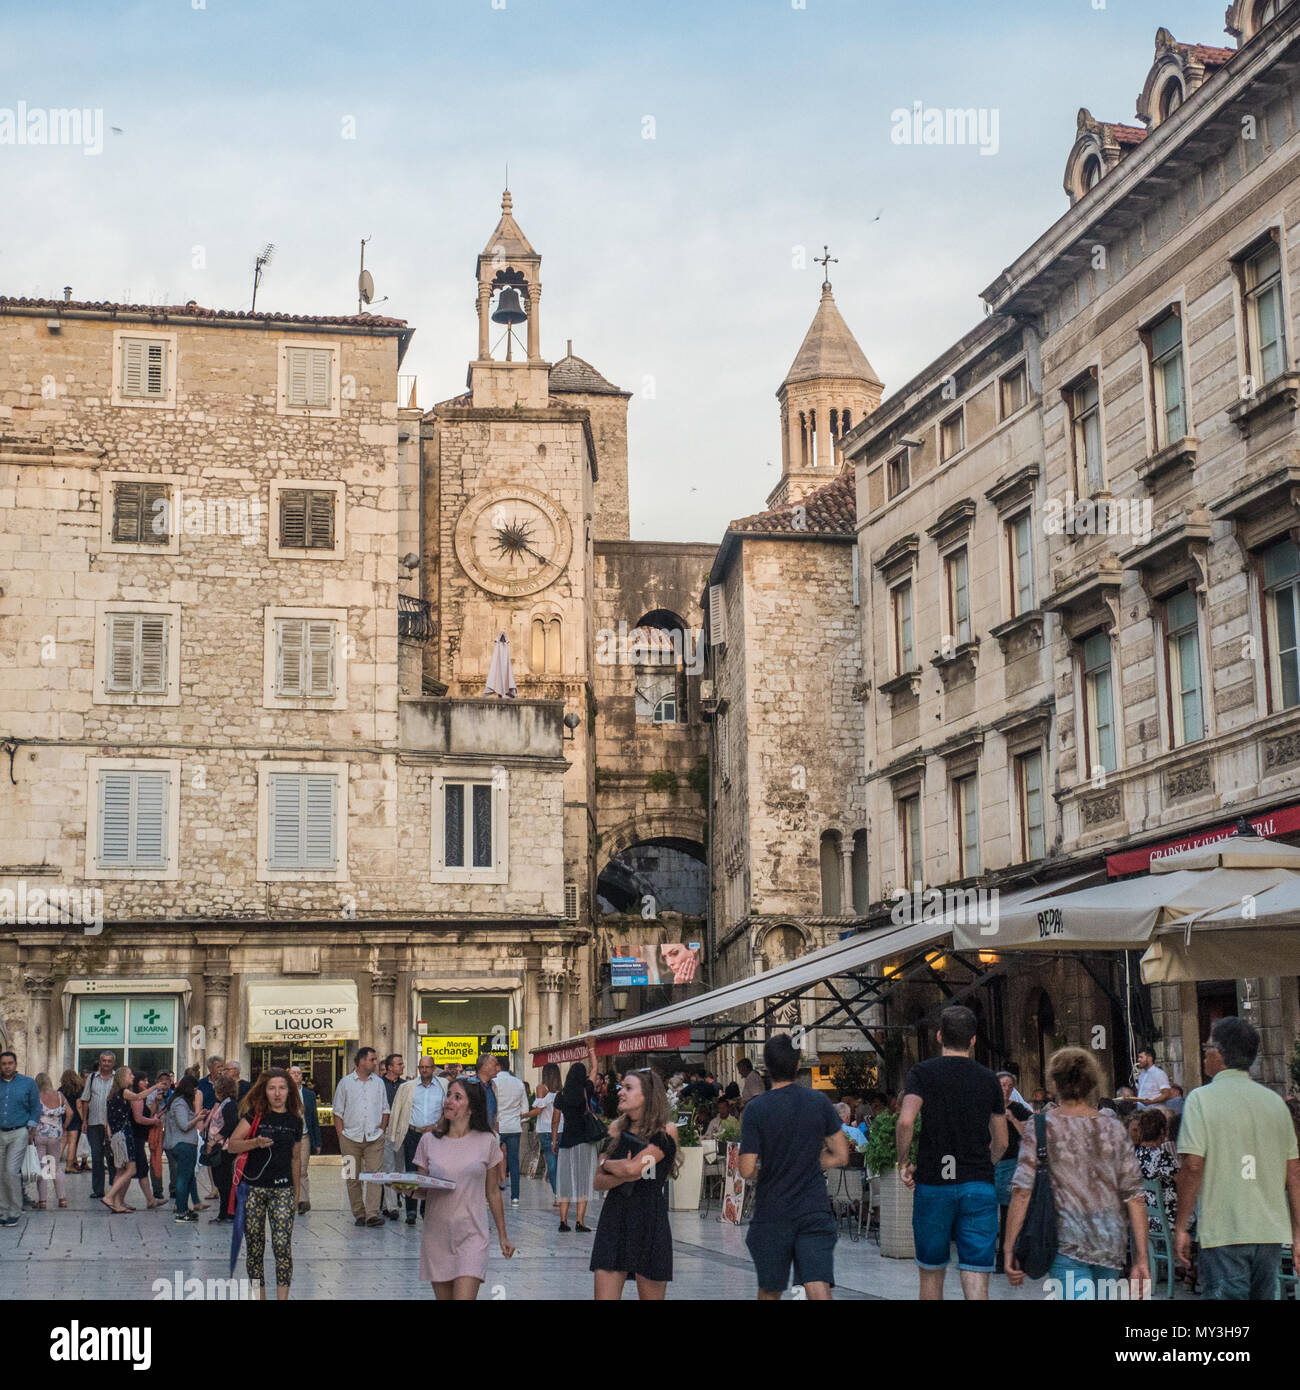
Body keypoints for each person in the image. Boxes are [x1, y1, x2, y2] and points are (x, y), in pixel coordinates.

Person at [1005, 1047, 1149, 1300]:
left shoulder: (1041, 1127)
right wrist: (1141, 1258)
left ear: (1056, 1083)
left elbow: (1022, 1192)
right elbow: (1135, 1196)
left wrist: (1009, 1247)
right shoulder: (1113, 1128)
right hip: (1110, 1244)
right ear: (1092, 1083)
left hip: (1066, 1243)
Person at [1174, 1016, 1300, 1300]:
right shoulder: (1276, 1103)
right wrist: (1297, 1233)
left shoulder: (1200, 1099)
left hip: (1224, 1230)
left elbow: (1193, 1166)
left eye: (1207, 1046)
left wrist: (1181, 1226)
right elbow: (1294, 1172)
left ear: (1218, 1054)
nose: (1204, 1053)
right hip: (1268, 1231)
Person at [896, 1005, 1007, 1301]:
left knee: (931, 1274)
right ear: (973, 1040)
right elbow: (1002, 1142)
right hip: (978, 1183)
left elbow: (906, 1120)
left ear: (939, 1036)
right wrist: (985, 1163)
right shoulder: (989, 1079)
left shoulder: (922, 1073)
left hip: (934, 1183)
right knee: (976, 1278)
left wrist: (905, 1161)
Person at [738, 1033, 848, 1301]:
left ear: (766, 1068)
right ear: (798, 1064)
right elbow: (842, 1155)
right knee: (816, 1283)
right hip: (813, 1208)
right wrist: (811, 1160)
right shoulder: (819, 1101)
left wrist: (769, 1169)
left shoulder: (756, 1109)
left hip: (772, 1212)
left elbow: (746, 1168)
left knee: (770, 1288)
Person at [414, 1076, 515, 1300]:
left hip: (472, 1235)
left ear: (472, 1108)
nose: (449, 1101)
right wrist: (406, 1188)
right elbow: (422, 1188)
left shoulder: (487, 1141)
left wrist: (503, 1236)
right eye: (449, 1095)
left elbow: (492, 1192)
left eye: (457, 1097)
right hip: (438, 1235)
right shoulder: (428, 1141)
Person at [591, 1068, 679, 1300]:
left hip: (649, 1219)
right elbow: (597, 1182)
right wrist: (620, 1170)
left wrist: (608, 1163)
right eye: (622, 1087)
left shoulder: (664, 1133)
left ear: (647, 1096)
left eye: (629, 1088)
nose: (621, 1092)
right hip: (615, 1217)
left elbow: (633, 1168)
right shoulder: (615, 1131)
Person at [226, 1066, 304, 1300]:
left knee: (282, 1247)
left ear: (290, 1091)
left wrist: (296, 1194)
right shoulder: (254, 1116)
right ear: (264, 1091)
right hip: (253, 1189)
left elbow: (296, 1158)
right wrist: (255, 1143)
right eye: (272, 1088)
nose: (277, 1093)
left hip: (283, 1189)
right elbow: (232, 1144)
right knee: (255, 1248)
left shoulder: (295, 1121)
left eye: (282, 1088)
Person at [333, 1046, 390, 1227]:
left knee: (375, 1176)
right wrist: (341, 1134)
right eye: (372, 1059)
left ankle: (372, 1214)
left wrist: (381, 1130)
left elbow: (385, 1109)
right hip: (350, 1138)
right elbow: (338, 1111)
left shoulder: (379, 1083)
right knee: (352, 1177)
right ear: (362, 1061)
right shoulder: (345, 1083)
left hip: (374, 1138)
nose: (375, 1063)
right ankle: (359, 1213)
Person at [387, 1055, 445, 1225]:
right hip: (413, 1133)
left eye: (427, 1067)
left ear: (433, 1068)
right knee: (411, 1172)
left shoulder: (442, 1087)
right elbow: (397, 1110)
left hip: (434, 1135)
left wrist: (436, 1126)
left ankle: (426, 1208)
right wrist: (394, 1134)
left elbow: (446, 1111)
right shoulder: (408, 1088)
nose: (424, 1070)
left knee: (431, 1171)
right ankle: (411, 1209)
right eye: (421, 1067)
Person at [553, 1059, 600, 1233]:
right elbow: (595, 1070)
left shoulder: (561, 1095)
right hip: (584, 1142)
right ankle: (580, 1221)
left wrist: (553, 1140)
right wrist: (592, 1051)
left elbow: (555, 1120)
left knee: (565, 1182)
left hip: (566, 1141)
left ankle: (563, 1221)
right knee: (583, 1180)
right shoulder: (586, 1090)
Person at [993, 1070, 1031, 1269]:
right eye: (1002, 1085)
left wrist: (1013, 1120)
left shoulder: (1019, 1109)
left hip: (1011, 1165)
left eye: (1009, 1085)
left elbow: (1030, 1134)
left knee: (1009, 1212)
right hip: (991, 1164)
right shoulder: (987, 1107)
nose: (1006, 1089)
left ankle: (1006, 1258)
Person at [161, 1074, 207, 1220]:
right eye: (194, 1089)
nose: (195, 1092)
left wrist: (198, 1115)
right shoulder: (180, 1103)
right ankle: (181, 1211)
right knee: (183, 1178)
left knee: (187, 1177)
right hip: (183, 1144)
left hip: (184, 1143)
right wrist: (198, 1118)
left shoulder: (179, 1102)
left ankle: (185, 1208)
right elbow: (184, 1125)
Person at [100, 1066, 144, 1214]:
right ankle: (109, 1196)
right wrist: (156, 1087)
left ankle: (118, 1202)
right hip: (124, 1135)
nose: (133, 1077)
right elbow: (138, 1097)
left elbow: (107, 1118)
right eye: (130, 1074)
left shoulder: (112, 1094)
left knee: (121, 1170)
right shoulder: (123, 1092)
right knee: (131, 1169)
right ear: (123, 1077)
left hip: (116, 1136)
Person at [1130, 1106, 1178, 1235]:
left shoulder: (1132, 1156)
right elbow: (1182, 1182)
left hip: (1140, 1223)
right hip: (1164, 1225)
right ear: (1162, 1131)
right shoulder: (1162, 1157)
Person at [78, 1051, 118, 1200]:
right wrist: (84, 1121)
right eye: (103, 1061)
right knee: (96, 1157)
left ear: (113, 1063)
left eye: (109, 1061)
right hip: (94, 1123)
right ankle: (98, 1189)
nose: (106, 1063)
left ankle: (115, 1187)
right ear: (100, 1062)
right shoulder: (92, 1078)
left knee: (113, 1157)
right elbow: (85, 1099)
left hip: (112, 1124)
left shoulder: (117, 1078)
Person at [30, 1072, 72, 1211]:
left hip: (40, 1135)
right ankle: (62, 1199)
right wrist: (64, 1126)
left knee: (42, 1167)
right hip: (56, 1135)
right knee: (55, 1167)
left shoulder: (36, 1097)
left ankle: (42, 1201)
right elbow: (70, 1113)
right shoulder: (60, 1096)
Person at [201, 1075, 240, 1222]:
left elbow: (230, 1124)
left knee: (224, 1182)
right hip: (218, 1146)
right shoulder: (223, 1103)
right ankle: (224, 1213)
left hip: (224, 1148)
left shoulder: (229, 1104)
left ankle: (229, 1213)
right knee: (220, 1181)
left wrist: (215, 1140)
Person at [126, 1074, 164, 1210]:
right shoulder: (136, 1097)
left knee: (136, 1170)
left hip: (140, 1137)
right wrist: (154, 1121)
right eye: (144, 1080)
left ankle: (150, 1199)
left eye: (148, 1080)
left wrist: (155, 1101)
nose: (146, 1082)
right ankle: (116, 1198)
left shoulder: (141, 1098)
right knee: (135, 1169)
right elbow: (139, 1119)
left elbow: (148, 1114)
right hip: (135, 1137)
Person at [523, 1062, 561, 1198]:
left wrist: (523, 1115)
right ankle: (562, 1192)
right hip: (561, 1129)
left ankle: (557, 1194)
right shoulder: (561, 1091)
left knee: (551, 1162)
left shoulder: (541, 1087)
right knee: (559, 1162)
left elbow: (539, 1110)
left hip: (546, 1129)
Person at [493, 1060, 527, 1207]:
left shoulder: (493, 1083)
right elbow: (525, 1109)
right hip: (514, 1127)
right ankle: (515, 1197)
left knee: (491, 1161)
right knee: (514, 1162)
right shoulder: (519, 1083)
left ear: (498, 1067)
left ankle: (490, 1192)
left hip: (497, 1127)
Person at [287, 1066, 320, 1214]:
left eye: (298, 1073)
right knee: (288, 1169)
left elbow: (314, 1119)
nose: (296, 1075)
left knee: (302, 1169)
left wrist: (317, 1142)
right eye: (293, 1073)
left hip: (305, 1136)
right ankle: (289, 1198)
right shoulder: (283, 1092)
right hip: (287, 1137)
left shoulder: (309, 1094)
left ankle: (303, 1200)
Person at [58, 1068, 83, 1175]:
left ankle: (53, 1164)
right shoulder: (78, 1089)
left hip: (64, 1117)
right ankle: (69, 1166)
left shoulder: (60, 1090)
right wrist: (84, 1119)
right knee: (72, 1143)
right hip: (75, 1118)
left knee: (62, 1141)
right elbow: (79, 1105)